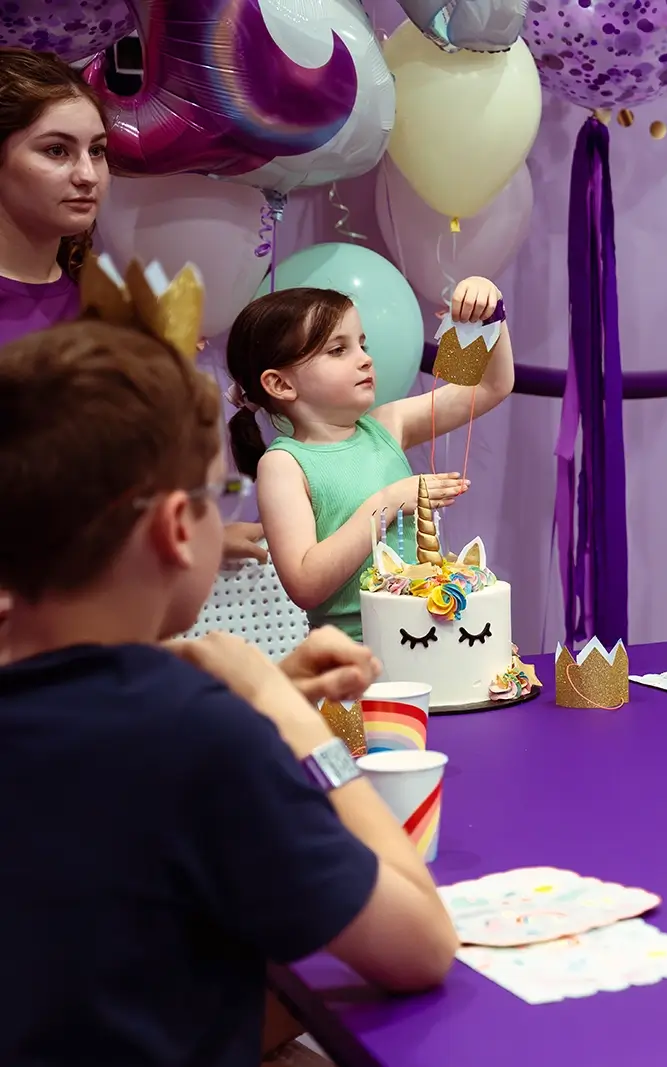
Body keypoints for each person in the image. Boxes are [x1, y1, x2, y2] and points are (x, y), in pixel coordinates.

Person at [0, 315, 459, 1067]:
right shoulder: (196, 733)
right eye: (223, 494)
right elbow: (421, 944)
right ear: (179, 527)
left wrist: (265, 695)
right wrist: (290, 723)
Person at [0, 46, 267, 566]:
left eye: (97, 151)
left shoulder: (107, 308)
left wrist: (189, 539)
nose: (87, 174)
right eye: (56, 151)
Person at [226, 280, 514, 639]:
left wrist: (490, 312)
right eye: (337, 350)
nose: (365, 358)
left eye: (362, 344)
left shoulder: (388, 424)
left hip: (434, 641)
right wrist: (387, 503)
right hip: (356, 664)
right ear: (281, 384)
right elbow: (304, 584)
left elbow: (490, 387)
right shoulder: (283, 465)